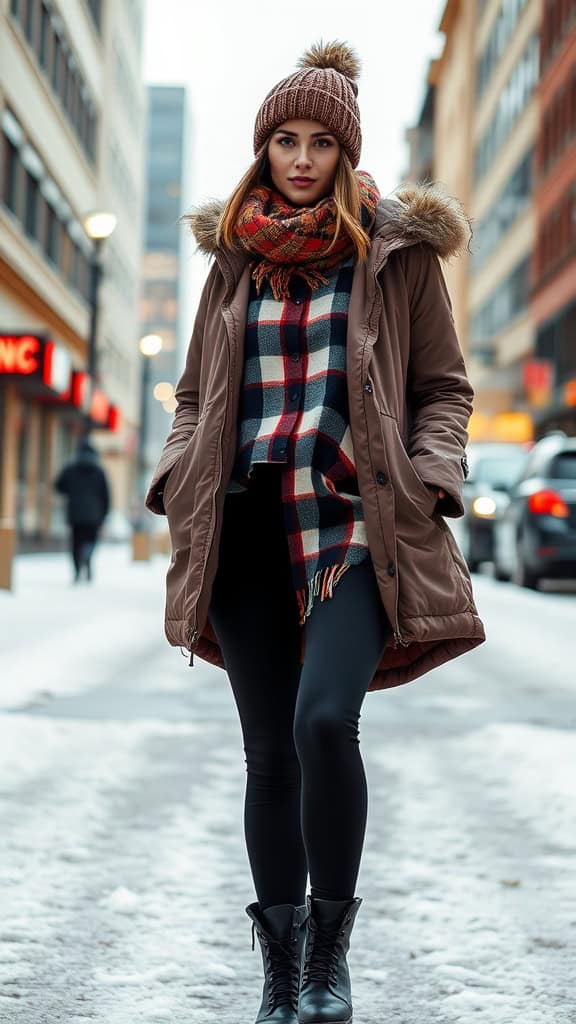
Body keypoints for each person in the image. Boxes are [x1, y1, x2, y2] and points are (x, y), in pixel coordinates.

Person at [146, 40, 486, 1024]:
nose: (301, 159)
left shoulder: (398, 256)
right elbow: (197, 395)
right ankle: (280, 976)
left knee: (324, 719)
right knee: (268, 755)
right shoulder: (235, 264)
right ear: (265, 150)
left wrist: (431, 478)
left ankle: (330, 960)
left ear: (347, 152)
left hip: (352, 527)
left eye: (320, 143)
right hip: (249, 530)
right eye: (284, 141)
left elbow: (443, 390)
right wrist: (179, 469)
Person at [54, 438, 110, 582]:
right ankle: (87, 557)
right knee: (91, 541)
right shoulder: (99, 471)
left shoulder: (71, 468)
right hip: (94, 515)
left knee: (75, 543)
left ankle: (77, 571)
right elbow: (106, 495)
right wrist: (104, 515)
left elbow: (58, 486)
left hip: (75, 514)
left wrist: (71, 490)